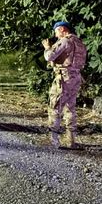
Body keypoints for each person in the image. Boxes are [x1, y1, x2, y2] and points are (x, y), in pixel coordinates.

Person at [42, 21, 87, 149]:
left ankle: (53, 142)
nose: (56, 36)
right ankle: (71, 141)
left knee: (55, 106)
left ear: (62, 29)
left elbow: (49, 56)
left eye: (56, 32)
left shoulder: (65, 41)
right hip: (76, 77)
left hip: (63, 78)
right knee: (70, 108)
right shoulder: (79, 43)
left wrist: (47, 47)